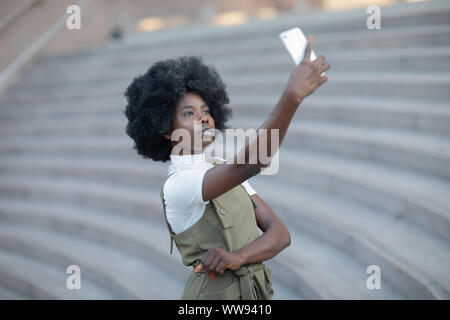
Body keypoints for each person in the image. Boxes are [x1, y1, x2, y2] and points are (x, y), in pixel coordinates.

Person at [124, 35, 329, 299]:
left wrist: (239, 256)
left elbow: (280, 234)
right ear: (165, 129)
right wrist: (292, 97)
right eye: (189, 113)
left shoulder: (220, 169)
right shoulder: (178, 185)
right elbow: (251, 163)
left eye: (206, 110)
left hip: (255, 292)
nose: (204, 118)